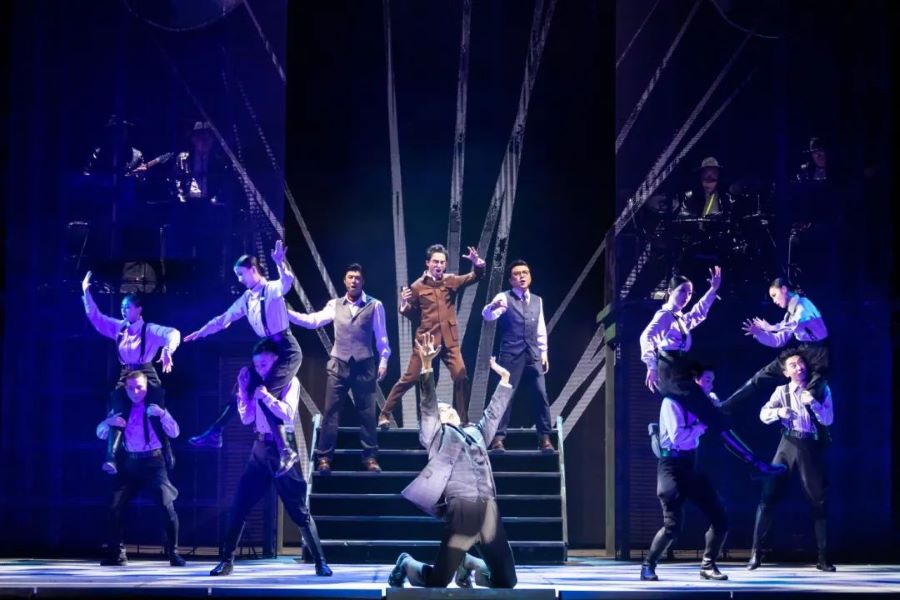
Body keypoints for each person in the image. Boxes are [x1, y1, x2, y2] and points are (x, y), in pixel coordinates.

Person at [388, 333, 517, 589]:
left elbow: (493, 415)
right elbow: (428, 407)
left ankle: (468, 562)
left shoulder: (476, 433)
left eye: (450, 408)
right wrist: (426, 366)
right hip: (461, 509)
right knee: (438, 581)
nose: (448, 410)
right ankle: (406, 563)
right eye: (443, 409)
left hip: (488, 508)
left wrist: (504, 380)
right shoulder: (437, 435)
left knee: (507, 580)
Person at [640, 267, 785, 477]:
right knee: (715, 417)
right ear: (670, 291)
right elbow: (647, 337)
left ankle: (756, 464)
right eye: (682, 291)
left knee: (715, 417)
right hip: (671, 374)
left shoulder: (677, 318)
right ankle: (758, 465)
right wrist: (650, 365)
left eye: (690, 293)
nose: (686, 296)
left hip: (679, 373)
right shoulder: (664, 316)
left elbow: (697, 314)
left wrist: (712, 290)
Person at [209, 339, 332, 577]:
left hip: (283, 446)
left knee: (298, 510)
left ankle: (320, 561)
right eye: (257, 365)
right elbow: (247, 418)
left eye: (264, 364)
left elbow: (287, 413)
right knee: (239, 505)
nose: (261, 370)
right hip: (259, 448)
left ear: (277, 361)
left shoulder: (290, 381)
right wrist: (243, 392)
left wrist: (266, 397)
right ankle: (226, 561)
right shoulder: (256, 382)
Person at [184, 242, 300, 476]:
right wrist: (201, 332)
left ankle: (285, 450)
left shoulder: (271, 289)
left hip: (286, 350)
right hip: (267, 349)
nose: (239, 279)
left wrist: (280, 263)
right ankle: (216, 432)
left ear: (253, 270)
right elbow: (224, 319)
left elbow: (287, 282)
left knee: (266, 393)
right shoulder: (247, 298)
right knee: (243, 384)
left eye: (241, 274)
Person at [287, 263, 391, 473]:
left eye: (357, 278)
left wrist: (384, 360)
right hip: (339, 364)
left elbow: (382, 338)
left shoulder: (375, 305)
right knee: (331, 412)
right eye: (350, 277)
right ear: (344, 281)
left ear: (363, 282)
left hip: (364, 364)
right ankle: (324, 458)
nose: (354, 281)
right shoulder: (334, 305)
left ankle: (370, 457)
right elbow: (313, 321)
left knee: (367, 413)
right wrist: (287, 313)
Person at [81, 271, 180, 474]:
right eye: (122, 307)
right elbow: (97, 318)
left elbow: (173, 333)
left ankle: (166, 449)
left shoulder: (149, 330)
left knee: (154, 410)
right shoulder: (120, 328)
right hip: (126, 374)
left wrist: (168, 350)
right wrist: (87, 293)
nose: (123, 310)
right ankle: (110, 457)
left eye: (128, 307)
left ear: (139, 309)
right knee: (118, 411)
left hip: (146, 372)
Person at [747, 348, 835, 572]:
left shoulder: (821, 388)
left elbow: (828, 419)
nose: (799, 367)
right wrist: (779, 413)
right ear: (786, 373)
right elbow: (763, 414)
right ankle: (756, 553)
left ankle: (823, 558)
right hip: (787, 444)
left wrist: (813, 403)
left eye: (800, 363)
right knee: (769, 496)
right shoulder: (781, 391)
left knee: (818, 500)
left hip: (809, 444)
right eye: (793, 366)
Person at [379, 243, 485, 427]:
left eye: (442, 262)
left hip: (449, 341)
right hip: (426, 342)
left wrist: (478, 264)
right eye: (435, 262)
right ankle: (384, 414)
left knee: (461, 376)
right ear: (427, 263)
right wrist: (404, 305)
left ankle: (463, 420)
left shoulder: (451, 280)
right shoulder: (417, 286)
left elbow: (475, 276)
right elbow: (414, 315)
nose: (439, 265)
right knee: (409, 379)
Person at [641, 363, 729, 582]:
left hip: (691, 462)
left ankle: (708, 565)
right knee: (672, 525)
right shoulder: (671, 402)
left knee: (720, 517)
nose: (710, 386)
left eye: (712, 381)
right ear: (693, 382)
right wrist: (703, 422)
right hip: (671, 464)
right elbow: (678, 437)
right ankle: (648, 565)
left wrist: (713, 411)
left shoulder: (704, 403)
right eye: (707, 381)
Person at [95, 371, 185, 567]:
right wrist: (108, 422)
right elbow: (101, 433)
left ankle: (174, 553)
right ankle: (118, 554)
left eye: (139, 388)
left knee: (166, 504)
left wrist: (162, 415)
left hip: (154, 461)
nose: (135, 392)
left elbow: (175, 432)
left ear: (146, 388)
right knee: (115, 504)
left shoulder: (155, 406)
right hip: (130, 462)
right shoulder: (121, 407)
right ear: (125, 389)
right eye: (131, 388)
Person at [722, 277, 829, 412]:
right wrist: (759, 333)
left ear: (784, 289)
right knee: (762, 375)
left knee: (811, 394)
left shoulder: (803, 304)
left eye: (774, 295)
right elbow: (778, 340)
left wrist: (772, 327)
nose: (774, 300)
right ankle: (726, 406)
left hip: (820, 352)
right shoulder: (788, 315)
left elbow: (799, 320)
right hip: (804, 349)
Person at [481, 259, 553, 452]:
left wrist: (544, 352)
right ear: (511, 280)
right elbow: (488, 316)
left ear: (530, 276)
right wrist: (491, 307)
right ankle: (498, 438)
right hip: (511, 354)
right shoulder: (504, 298)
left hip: (533, 353)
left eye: (525, 273)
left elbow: (540, 329)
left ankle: (545, 438)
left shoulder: (537, 300)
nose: (522, 276)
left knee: (541, 394)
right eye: (517, 274)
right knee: (506, 396)